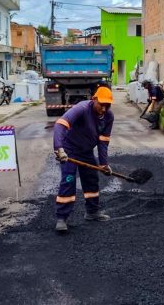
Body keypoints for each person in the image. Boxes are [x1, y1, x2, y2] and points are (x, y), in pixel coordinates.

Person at [53, 86, 114, 232]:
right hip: (69, 149)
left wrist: (104, 164)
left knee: (91, 180)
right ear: (94, 100)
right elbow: (60, 125)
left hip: (86, 151)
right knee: (69, 180)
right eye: (102, 104)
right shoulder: (82, 108)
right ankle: (61, 218)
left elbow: (103, 142)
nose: (104, 109)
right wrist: (59, 148)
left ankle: (92, 212)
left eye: (108, 105)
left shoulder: (108, 117)